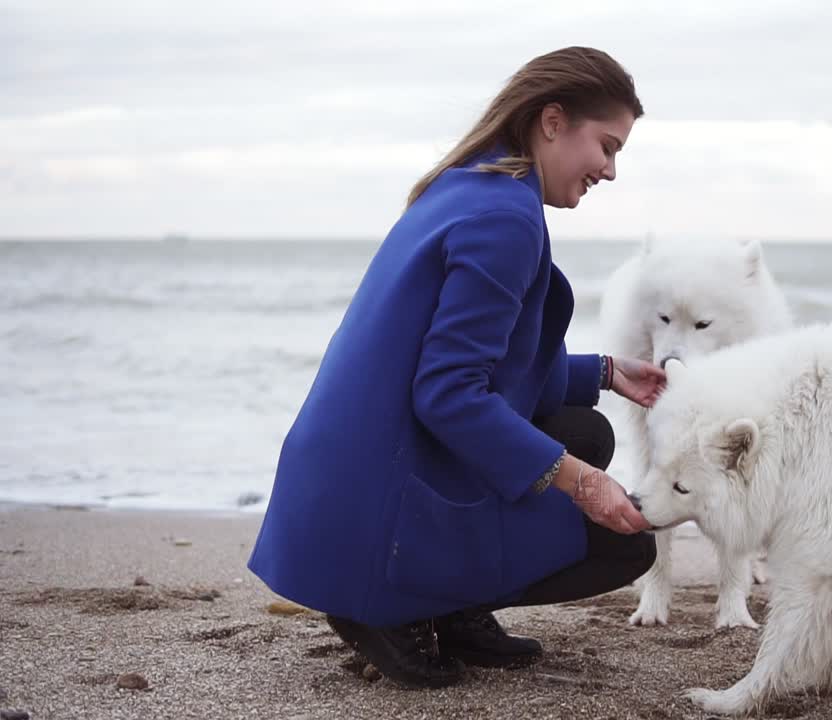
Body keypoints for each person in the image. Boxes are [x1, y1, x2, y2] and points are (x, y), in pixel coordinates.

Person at [247, 46, 662, 689]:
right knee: (625, 544)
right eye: (606, 146)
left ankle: (454, 606)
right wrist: (583, 485)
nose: (608, 171)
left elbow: (492, 370)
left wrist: (607, 372)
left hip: (344, 477)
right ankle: (396, 607)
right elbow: (448, 394)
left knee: (587, 431)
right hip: (375, 510)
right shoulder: (505, 219)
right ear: (553, 121)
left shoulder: (473, 183)